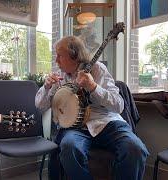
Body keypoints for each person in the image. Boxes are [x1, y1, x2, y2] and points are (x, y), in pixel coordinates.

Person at [35, 36, 149, 180]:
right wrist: (46, 87)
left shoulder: (97, 69)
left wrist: (93, 87)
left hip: (107, 123)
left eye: (60, 56)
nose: (56, 60)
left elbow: (119, 105)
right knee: (69, 147)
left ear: (74, 55)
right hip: (75, 128)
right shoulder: (59, 79)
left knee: (135, 148)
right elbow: (40, 106)